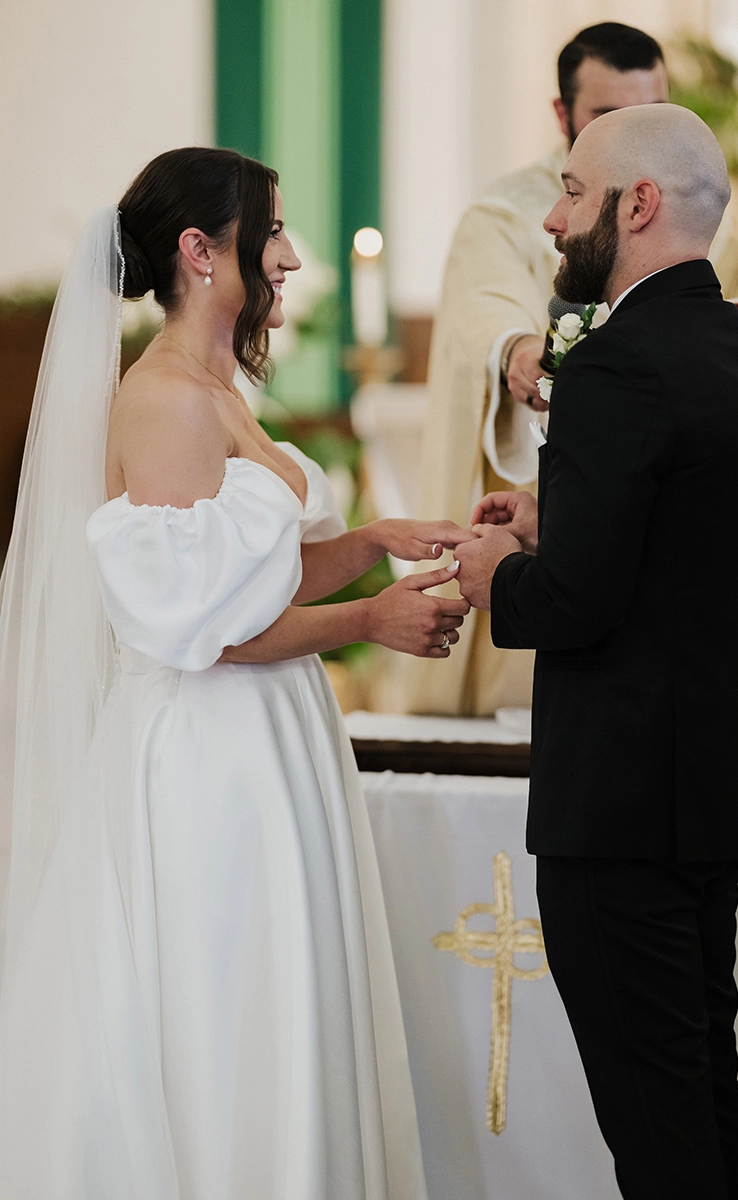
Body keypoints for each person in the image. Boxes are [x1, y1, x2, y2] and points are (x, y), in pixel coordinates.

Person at [0, 147, 466, 1196]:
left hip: (264, 734)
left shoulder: (221, 388)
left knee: (283, 988)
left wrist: (378, 540)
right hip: (207, 761)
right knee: (230, 1000)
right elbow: (194, 632)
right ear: (200, 251)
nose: (292, 258)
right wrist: (372, 620)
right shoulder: (164, 398)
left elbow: (250, 581)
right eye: (274, 233)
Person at [451, 105, 738, 1199]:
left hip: (621, 810)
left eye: (570, 192)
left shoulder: (613, 367)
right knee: (701, 1085)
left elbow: (576, 604)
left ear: (636, 205)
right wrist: (559, 515)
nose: (553, 221)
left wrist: (488, 574)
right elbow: (686, 545)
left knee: (654, 1120)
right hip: (709, 794)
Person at [402, 20, 738, 716]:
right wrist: (514, 349)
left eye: (649, 110)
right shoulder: (509, 214)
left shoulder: (690, 220)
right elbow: (487, 300)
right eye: (608, 114)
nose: (632, 130)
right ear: (562, 113)